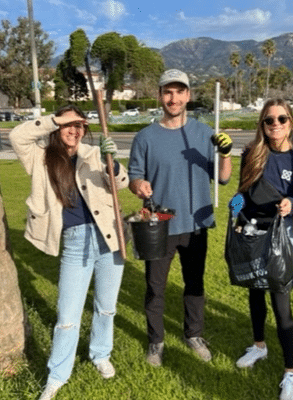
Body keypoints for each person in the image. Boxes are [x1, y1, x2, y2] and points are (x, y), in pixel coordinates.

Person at [9, 105, 129, 400]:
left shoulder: (93, 154)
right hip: (75, 243)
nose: (74, 130)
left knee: (106, 307)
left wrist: (113, 166)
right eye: (68, 124)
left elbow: (121, 184)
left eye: (79, 126)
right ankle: (57, 375)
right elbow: (17, 136)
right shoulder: (41, 158)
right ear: (57, 127)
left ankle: (100, 354)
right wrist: (56, 119)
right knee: (67, 315)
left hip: (109, 237)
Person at [128, 69, 233, 366]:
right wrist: (138, 185)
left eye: (179, 92)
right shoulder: (145, 137)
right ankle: (155, 341)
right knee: (154, 286)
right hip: (158, 225)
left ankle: (193, 334)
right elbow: (134, 176)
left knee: (195, 283)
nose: (173, 98)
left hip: (196, 223)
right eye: (167, 92)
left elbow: (223, 179)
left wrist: (225, 153)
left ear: (188, 95)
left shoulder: (203, 133)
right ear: (160, 95)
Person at [230, 99, 293, 400]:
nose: (275, 125)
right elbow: (242, 192)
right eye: (269, 120)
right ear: (261, 124)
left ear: (291, 122)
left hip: (280, 235)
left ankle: (290, 372)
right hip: (251, 232)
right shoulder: (252, 153)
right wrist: (235, 214)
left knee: (281, 303)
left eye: (281, 119)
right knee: (254, 292)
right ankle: (259, 346)